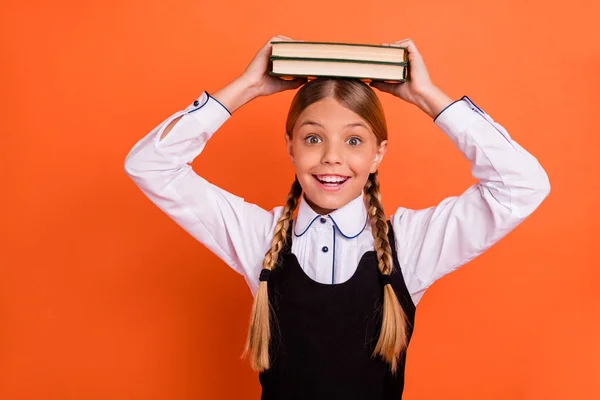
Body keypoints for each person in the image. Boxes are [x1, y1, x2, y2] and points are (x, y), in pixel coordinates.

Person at [124, 35, 551, 399]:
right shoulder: (257, 236)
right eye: (313, 138)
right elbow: (151, 165)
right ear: (290, 145)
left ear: (378, 152)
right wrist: (247, 86)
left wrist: (426, 96)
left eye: (353, 140)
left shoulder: (413, 245)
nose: (332, 158)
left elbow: (522, 186)